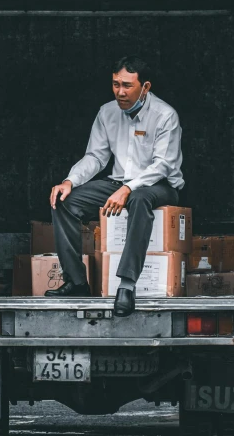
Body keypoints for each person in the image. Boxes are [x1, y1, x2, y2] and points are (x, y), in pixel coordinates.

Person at [48, 55, 183, 317]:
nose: (120, 92)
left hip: (159, 184)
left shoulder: (165, 115)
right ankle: (76, 282)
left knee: (139, 198)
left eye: (127, 86)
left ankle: (126, 286)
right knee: (65, 201)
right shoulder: (107, 112)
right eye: (115, 84)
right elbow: (96, 157)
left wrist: (129, 188)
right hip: (118, 181)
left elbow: (162, 165)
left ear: (145, 87)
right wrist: (69, 181)